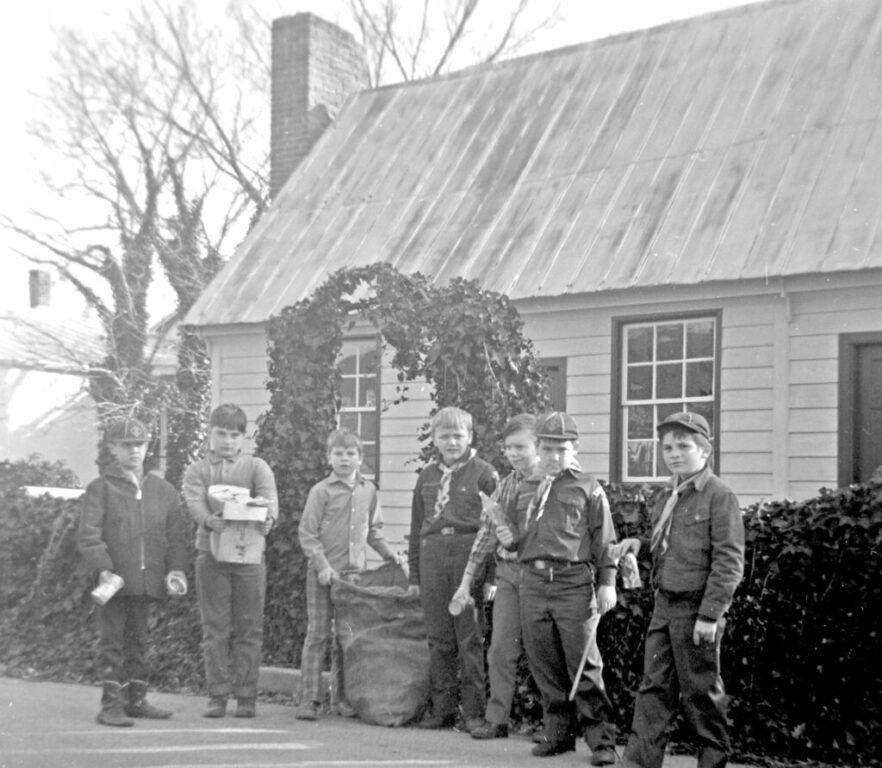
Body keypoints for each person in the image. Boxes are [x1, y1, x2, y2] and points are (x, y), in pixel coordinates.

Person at [623, 412, 745, 768]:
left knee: (701, 692)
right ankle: (639, 762)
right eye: (668, 447)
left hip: (697, 610)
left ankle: (712, 762)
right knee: (653, 687)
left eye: (684, 446)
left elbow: (729, 561)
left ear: (705, 452)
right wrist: (640, 545)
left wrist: (709, 615)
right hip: (665, 605)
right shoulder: (670, 494)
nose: (675, 453)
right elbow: (669, 546)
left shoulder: (719, 496)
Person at [513, 411, 619, 764]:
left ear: (575, 449)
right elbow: (515, 539)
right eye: (548, 449)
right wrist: (506, 541)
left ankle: (602, 742)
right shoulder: (523, 487)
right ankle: (558, 736)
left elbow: (605, 542)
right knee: (544, 664)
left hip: (573, 583)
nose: (554, 457)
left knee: (584, 665)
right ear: (538, 448)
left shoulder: (589, 488)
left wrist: (607, 584)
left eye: (562, 449)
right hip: (533, 582)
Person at [77, 416, 189, 727]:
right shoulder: (100, 488)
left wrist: (176, 571)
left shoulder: (164, 491)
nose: (134, 451)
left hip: (147, 581)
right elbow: (89, 536)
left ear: (147, 445)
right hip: (114, 581)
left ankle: (136, 700)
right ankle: (110, 705)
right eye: (126, 445)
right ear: (112, 448)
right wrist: (102, 568)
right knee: (112, 643)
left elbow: (176, 538)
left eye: (139, 444)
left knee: (139, 641)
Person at [295, 428, 405, 721]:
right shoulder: (321, 491)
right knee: (317, 635)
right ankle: (309, 699)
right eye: (338, 453)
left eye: (350, 453)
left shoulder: (369, 490)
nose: (344, 459)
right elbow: (307, 534)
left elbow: (374, 531)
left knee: (347, 638)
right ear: (329, 457)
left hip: (353, 577)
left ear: (360, 458)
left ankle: (342, 699)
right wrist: (322, 566)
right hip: (323, 574)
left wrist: (389, 554)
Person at [182, 403, 278, 719]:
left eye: (234, 435)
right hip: (211, 556)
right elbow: (194, 501)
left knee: (249, 628)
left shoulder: (256, 467)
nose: (227, 441)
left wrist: (269, 521)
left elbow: (269, 502)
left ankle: (246, 696)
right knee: (215, 629)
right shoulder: (197, 470)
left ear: (243, 437)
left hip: (250, 559)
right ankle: (218, 695)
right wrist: (209, 520)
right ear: (210, 433)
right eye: (221, 433)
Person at [451, 413, 542, 740]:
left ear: (538, 445)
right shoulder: (504, 485)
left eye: (521, 446)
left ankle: (554, 723)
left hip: (543, 578)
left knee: (545, 652)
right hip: (508, 576)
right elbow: (484, 538)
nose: (514, 454)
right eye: (508, 448)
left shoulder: (551, 483)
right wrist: (465, 581)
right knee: (500, 648)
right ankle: (497, 719)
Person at [407, 406, 498, 733]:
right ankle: (443, 708)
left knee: (469, 637)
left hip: (467, 556)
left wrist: (490, 576)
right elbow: (417, 526)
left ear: (470, 437)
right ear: (434, 439)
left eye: (458, 435)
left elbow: (494, 530)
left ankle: (473, 712)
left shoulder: (484, 473)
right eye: (444, 436)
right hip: (432, 556)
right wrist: (415, 575)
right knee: (438, 637)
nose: (451, 442)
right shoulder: (427, 476)